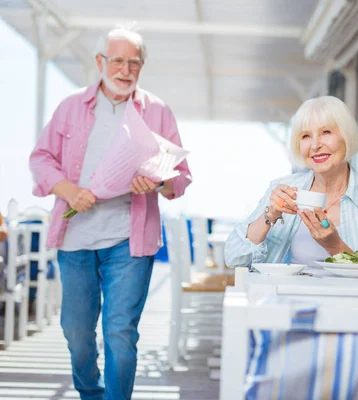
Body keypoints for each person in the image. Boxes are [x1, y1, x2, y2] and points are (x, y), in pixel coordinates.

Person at [29, 25, 192, 400]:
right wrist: (68, 191)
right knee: (77, 331)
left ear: (141, 67)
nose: (125, 70)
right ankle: (91, 393)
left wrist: (157, 182)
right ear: (100, 62)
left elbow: (179, 177)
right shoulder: (71, 106)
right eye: (117, 60)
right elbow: (40, 159)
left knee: (120, 331)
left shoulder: (157, 111)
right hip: (75, 238)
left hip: (129, 241)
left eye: (134, 63)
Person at [225, 96, 358, 270]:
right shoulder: (283, 190)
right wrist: (269, 216)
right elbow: (234, 258)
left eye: (326, 132)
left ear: (347, 136)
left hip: (351, 298)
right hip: (286, 297)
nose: (315, 145)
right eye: (306, 136)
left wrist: (334, 246)